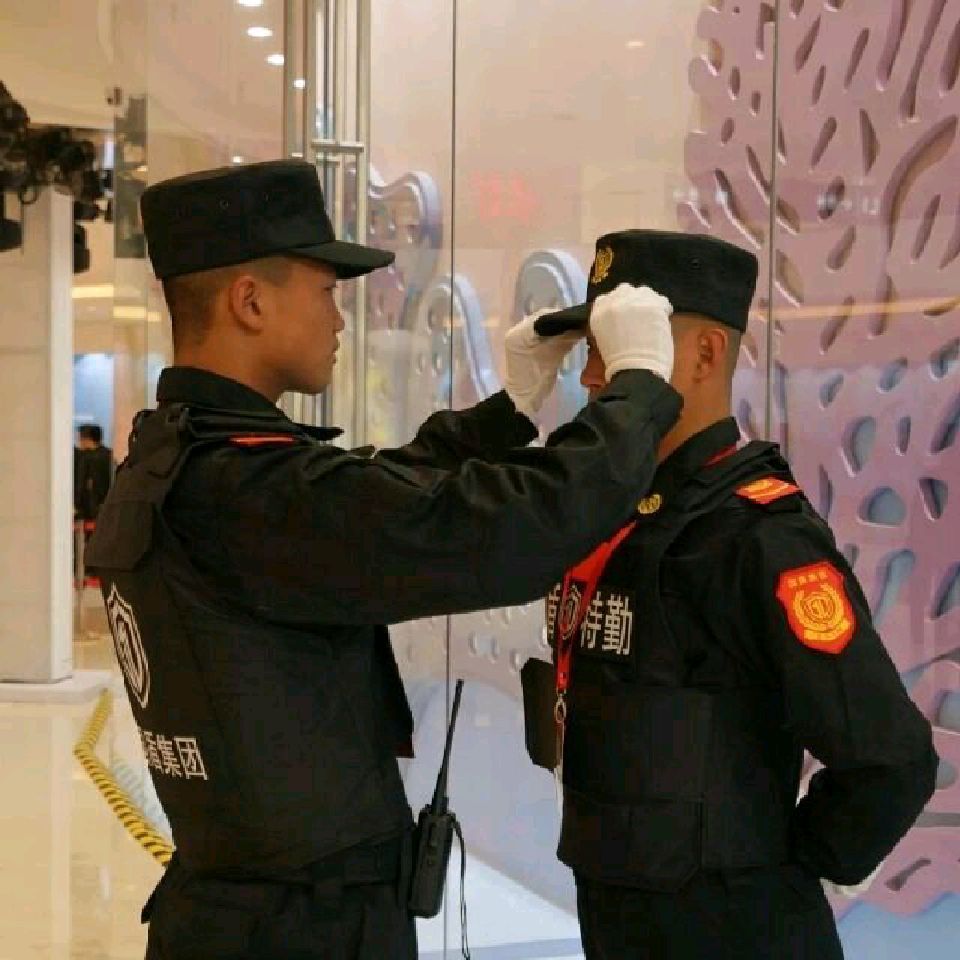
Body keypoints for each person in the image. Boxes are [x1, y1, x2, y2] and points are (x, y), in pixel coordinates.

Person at [85, 160, 684, 960]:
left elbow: (367, 495)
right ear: (250, 301)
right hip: (306, 929)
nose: (340, 318)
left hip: (233, 906)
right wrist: (638, 390)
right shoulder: (250, 489)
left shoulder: (178, 457)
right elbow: (504, 533)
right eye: (326, 291)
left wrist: (509, 411)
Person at [524, 229, 939, 960]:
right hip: (619, 918)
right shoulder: (609, 507)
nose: (590, 376)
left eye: (613, 346)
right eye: (592, 347)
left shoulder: (759, 536)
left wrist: (781, 864)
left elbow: (890, 758)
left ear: (706, 353)